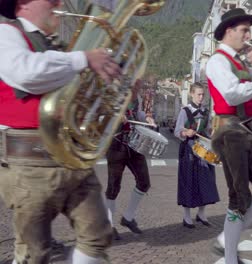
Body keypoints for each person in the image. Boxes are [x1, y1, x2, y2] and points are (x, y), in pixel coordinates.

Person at [0, 0, 120, 262]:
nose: (60, 2)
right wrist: (84, 58)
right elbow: (26, 72)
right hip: (29, 163)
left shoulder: (57, 47)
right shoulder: (7, 33)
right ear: (24, 3)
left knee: (98, 234)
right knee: (35, 253)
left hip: (71, 157)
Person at [205, 8, 252, 264]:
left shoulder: (240, 61)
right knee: (239, 197)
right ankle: (229, 257)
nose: (248, 35)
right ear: (229, 31)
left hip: (247, 130)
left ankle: (226, 239)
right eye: (244, 30)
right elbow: (230, 94)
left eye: (249, 30)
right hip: (229, 131)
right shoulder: (217, 61)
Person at [104, 79, 156, 240]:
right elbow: (101, 116)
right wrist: (115, 117)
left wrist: (147, 119)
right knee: (113, 187)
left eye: (139, 87)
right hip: (116, 145)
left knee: (144, 182)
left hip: (134, 144)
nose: (138, 90)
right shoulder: (113, 95)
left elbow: (137, 114)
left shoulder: (136, 98)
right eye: (137, 87)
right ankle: (109, 225)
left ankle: (128, 217)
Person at [174, 82, 220, 228]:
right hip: (188, 149)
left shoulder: (206, 112)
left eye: (202, 94)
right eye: (198, 94)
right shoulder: (184, 111)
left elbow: (207, 130)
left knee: (206, 181)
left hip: (203, 150)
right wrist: (185, 132)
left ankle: (201, 214)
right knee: (188, 181)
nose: (201, 97)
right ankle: (186, 216)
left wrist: (212, 135)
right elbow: (177, 131)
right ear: (192, 94)